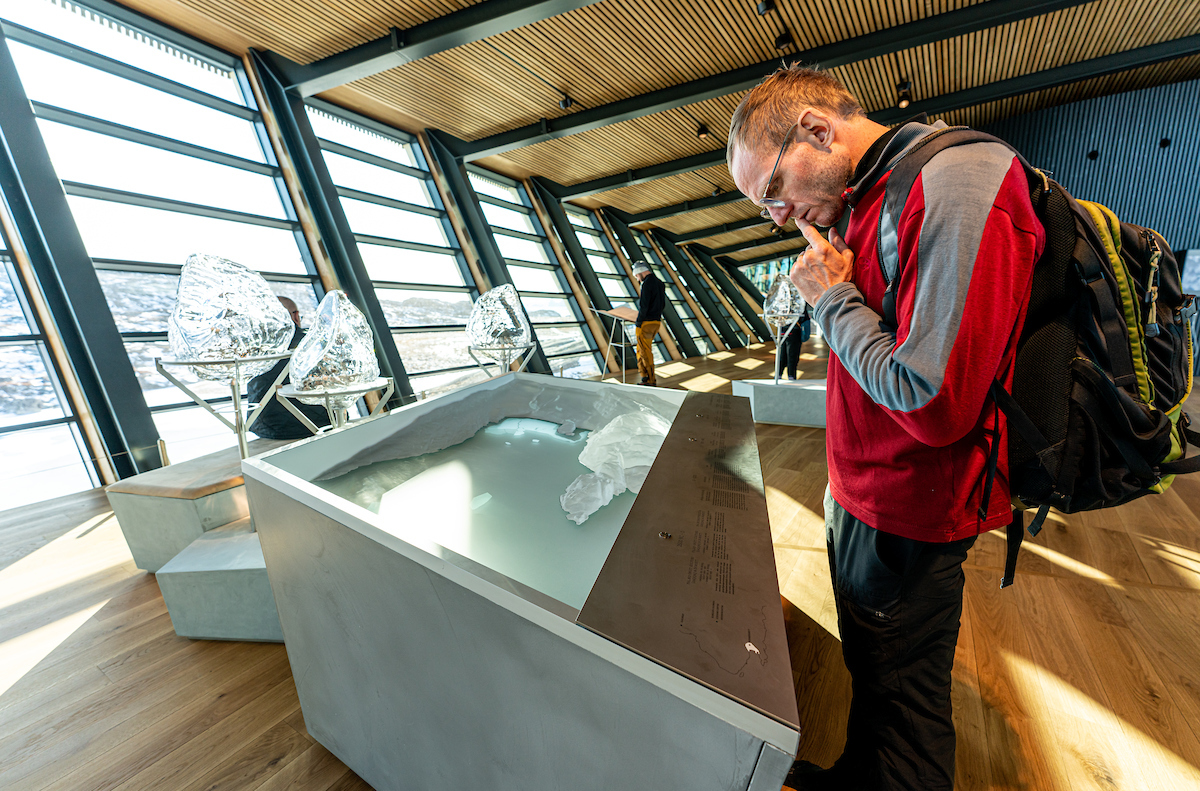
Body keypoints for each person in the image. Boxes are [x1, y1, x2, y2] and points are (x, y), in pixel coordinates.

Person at [728, 65, 1044, 790]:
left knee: (906, 709)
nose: (776, 214)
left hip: (911, 515)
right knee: (872, 671)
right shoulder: (872, 194)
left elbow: (931, 400)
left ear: (815, 129)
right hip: (867, 497)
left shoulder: (958, 182)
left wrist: (834, 301)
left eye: (773, 190)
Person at [246, 297, 331, 440]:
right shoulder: (316, 341)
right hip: (321, 423)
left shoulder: (252, 345)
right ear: (296, 316)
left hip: (267, 426)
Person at [631, 261, 665, 386]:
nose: (637, 279)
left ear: (640, 272)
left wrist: (638, 322)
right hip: (656, 321)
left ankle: (650, 380)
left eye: (637, 276)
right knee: (642, 350)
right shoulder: (660, 283)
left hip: (645, 323)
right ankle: (644, 377)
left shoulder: (646, 284)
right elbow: (662, 304)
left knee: (644, 352)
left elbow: (644, 305)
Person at [778, 301, 811, 380]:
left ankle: (779, 374)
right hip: (794, 330)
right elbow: (803, 316)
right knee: (793, 354)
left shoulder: (783, 302)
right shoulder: (799, 301)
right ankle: (791, 376)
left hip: (783, 329)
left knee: (782, 353)